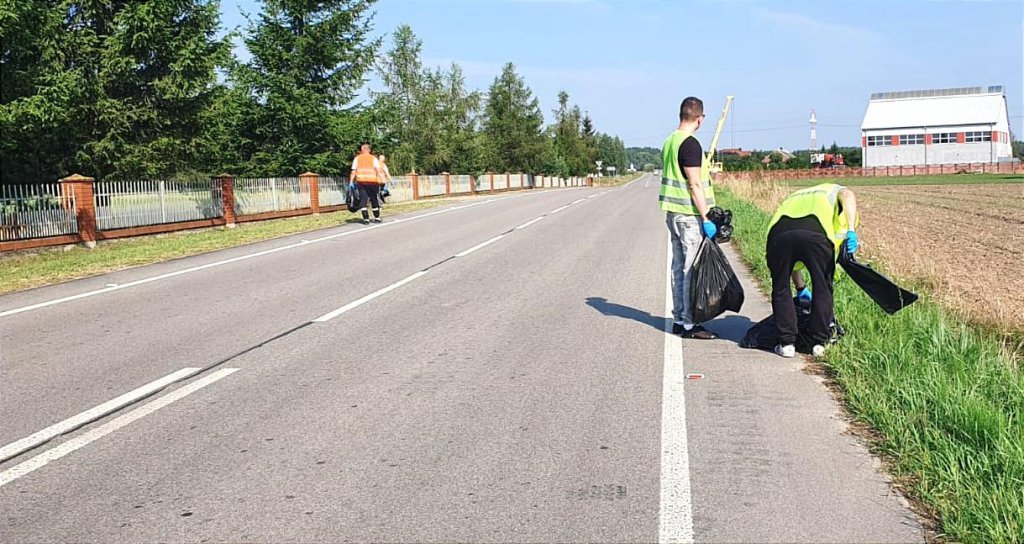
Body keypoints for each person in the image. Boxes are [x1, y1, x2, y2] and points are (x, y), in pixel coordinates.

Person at [766, 183, 859, 358]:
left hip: (778, 235)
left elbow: (793, 249)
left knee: (780, 288)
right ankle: (820, 343)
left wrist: (800, 289)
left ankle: (786, 345)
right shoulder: (833, 189)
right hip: (816, 235)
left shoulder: (797, 195)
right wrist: (851, 230)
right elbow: (847, 194)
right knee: (823, 287)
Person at [660, 96, 719, 339]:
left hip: (673, 213)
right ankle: (688, 323)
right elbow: (695, 183)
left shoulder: (669, 141)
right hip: (689, 216)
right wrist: (706, 218)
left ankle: (679, 318)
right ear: (699, 119)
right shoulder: (691, 144)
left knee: (678, 267)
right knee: (689, 269)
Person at [350, 143, 384, 224]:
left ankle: (366, 219)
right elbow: (378, 170)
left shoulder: (357, 159)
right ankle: (377, 218)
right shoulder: (373, 158)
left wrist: (351, 182)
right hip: (373, 182)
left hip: (361, 182)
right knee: (374, 199)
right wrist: (382, 179)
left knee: (363, 200)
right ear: (369, 150)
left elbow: (353, 171)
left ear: (362, 149)